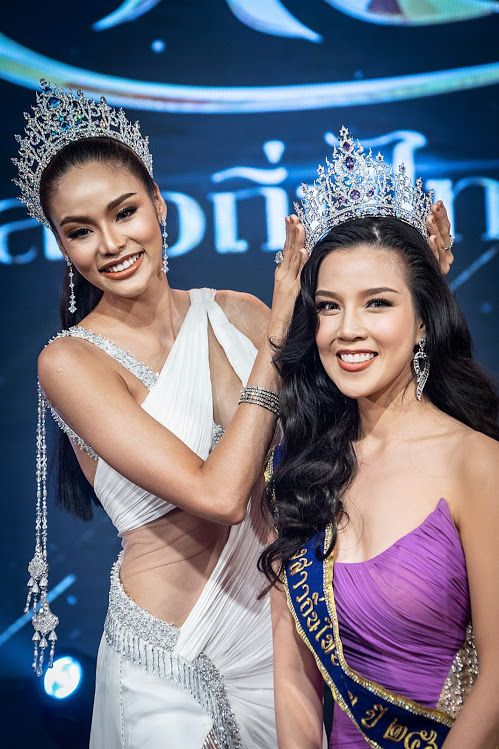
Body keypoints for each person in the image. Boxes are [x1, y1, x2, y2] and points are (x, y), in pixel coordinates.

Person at [14, 84, 451, 749]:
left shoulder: (238, 312)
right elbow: (217, 494)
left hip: (277, 642)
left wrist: (424, 299)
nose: (111, 243)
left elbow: (357, 424)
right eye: (80, 231)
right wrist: (275, 346)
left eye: (125, 212)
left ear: (158, 204)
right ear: (61, 244)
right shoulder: (70, 361)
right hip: (167, 663)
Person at [261, 127, 499, 748]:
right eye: (329, 306)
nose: (348, 329)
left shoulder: (477, 462)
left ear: (423, 321)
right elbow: (294, 680)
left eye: (378, 303)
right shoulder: (300, 467)